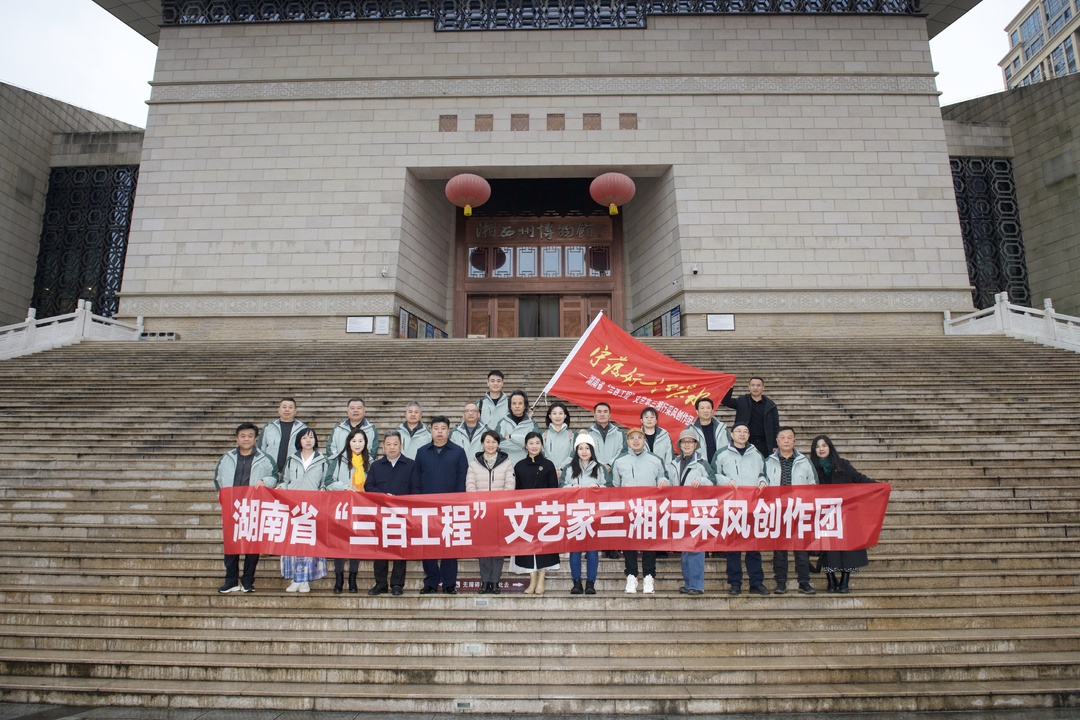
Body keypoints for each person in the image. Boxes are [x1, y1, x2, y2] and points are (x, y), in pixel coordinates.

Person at [213, 423, 277, 593]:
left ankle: (248, 580)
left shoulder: (265, 459)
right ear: (237, 438)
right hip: (232, 507)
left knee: (252, 545)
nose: (246, 439)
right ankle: (231, 580)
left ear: (255, 438)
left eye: (250, 436)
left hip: (253, 507)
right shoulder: (227, 458)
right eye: (243, 436)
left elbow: (274, 477)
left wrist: (265, 482)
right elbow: (218, 479)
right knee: (231, 544)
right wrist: (221, 494)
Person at [810, 435, 876, 594]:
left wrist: (879, 486)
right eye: (818, 446)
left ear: (830, 447)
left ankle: (845, 580)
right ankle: (831, 580)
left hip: (846, 513)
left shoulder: (843, 464)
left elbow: (859, 478)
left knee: (849, 549)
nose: (821, 449)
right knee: (828, 548)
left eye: (824, 445)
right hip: (824, 514)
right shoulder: (811, 467)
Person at [411, 415, 469, 594]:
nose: (439, 432)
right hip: (426, 507)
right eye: (436, 428)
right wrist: (417, 501)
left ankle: (449, 582)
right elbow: (416, 479)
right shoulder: (422, 452)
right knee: (427, 545)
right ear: (431, 430)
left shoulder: (458, 452)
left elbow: (462, 479)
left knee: (449, 545)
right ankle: (430, 581)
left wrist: (458, 502)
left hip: (450, 507)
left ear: (448, 430)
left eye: (443, 428)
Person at [715, 422, 770, 596]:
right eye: (738, 431)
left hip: (752, 506)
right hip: (731, 506)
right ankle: (735, 582)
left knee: (754, 547)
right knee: (733, 547)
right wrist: (725, 481)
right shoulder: (722, 454)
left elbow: (763, 473)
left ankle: (756, 582)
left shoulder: (757, 454)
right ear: (731, 434)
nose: (742, 434)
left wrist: (763, 481)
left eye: (745, 432)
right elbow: (713, 474)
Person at [612, 427, 669, 594]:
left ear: (644, 440)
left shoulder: (655, 459)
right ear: (627, 442)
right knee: (629, 542)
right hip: (628, 507)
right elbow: (615, 485)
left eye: (639, 437)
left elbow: (663, 476)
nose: (636, 440)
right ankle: (631, 575)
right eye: (632, 438)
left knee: (649, 542)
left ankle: (649, 576)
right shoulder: (620, 460)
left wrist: (664, 481)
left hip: (650, 507)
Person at [765, 426, 817, 595]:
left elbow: (813, 485)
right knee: (779, 548)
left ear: (794, 440)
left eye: (789, 437)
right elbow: (762, 482)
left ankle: (804, 582)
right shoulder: (768, 461)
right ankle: (780, 582)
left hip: (799, 509)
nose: (786, 440)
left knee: (801, 548)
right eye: (783, 437)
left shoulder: (804, 461)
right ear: (777, 441)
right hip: (778, 510)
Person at [364, 430, 415, 596]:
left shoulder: (410, 465)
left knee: (400, 551)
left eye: (395, 444)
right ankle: (380, 583)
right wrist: (384, 497)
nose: (392, 447)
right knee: (379, 550)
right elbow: (368, 486)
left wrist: (402, 501)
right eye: (388, 444)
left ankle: (397, 585)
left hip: (403, 515)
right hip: (381, 515)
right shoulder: (376, 466)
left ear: (401, 445)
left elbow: (416, 489)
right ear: (383, 447)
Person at [466, 429, 516, 594]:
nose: (491, 445)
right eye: (487, 441)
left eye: (494, 442)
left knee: (498, 550)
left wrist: (498, 503)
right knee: (484, 549)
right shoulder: (474, 464)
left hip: (499, 512)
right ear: (482, 443)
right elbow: (470, 486)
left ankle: (495, 582)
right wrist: (480, 503)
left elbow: (510, 485)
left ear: (498, 444)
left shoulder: (506, 463)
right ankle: (484, 581)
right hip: (481, 513)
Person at [278, 428, 328, 593]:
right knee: (293, 544)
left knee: (309, 545)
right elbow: (285, 480)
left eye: (311, 437)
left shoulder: (322, 460)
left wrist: (323, 489)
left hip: (312, 508)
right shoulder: (291, 460)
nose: (308, 440)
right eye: (305, 438)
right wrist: (282, 487)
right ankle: (294, 578)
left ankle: (305, 578)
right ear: (299, 440)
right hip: (293, 506)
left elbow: (325, 481)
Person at [511, 432, 560, 595]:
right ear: (526, 446)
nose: (534, 446)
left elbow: (554, 490)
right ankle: (532, 579)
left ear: (541, 445)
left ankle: (541, 578)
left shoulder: (548, 465)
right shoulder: (519, 466)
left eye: (537, 443)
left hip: (544, 511)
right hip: (524, 512)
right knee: (527, 545)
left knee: (544, 545)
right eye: (531, 443)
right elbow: (515, 490)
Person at [325, 426, 371, 593]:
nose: (357, 444)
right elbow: (328, 481)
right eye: (354, 441)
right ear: (348, 442)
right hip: (341, 508)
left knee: (355, 544)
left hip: (361, 508)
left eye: (360, 441)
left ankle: (353, 578)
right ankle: (339, 578)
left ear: (365, 443)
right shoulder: (338, 460)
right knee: (340, 543)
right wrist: (345, 488)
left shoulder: (369, 462)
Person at [667, 429, 713, 596]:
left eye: (690, 442)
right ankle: (688, 582)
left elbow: (713, 481)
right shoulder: (673, 463)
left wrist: (701, 480)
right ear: (679, 445)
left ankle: (696, 584)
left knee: (696, 548)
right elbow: (669, 481)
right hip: (680, 510)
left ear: (695, 445)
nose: (687, 444)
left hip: (697, 509)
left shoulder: (702, 463)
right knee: (685, 548)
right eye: (684, 442)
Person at [561, 434, 606, 595]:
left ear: (592, 450)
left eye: (587, 448)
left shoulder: (599, 468)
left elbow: (609, 488)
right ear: (576, 450)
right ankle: (576, 582)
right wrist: (571, 487)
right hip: (574, 514)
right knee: (575, 549)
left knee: (593, 550)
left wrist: (598, 486)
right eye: (581, 448)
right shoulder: (569, 468)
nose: (584, 451)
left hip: (594, 514)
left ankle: (591, 582)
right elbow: (561, 488)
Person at [721, 377, 780, 459]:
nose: (755, 388)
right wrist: (729, 387)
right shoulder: (742, 401)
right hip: (745, 441)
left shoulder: (770, 405)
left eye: (758, 385)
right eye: (753, 385)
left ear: (763, 387)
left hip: (764, 443)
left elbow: (776, 426)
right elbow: (725, 401)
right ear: (749, 387)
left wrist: (775, 444)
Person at [257, 397, 309, 480]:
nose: (287, 410)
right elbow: (260, 449)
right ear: (279, 410)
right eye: (284, 407)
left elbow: (307, 450)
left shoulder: (303, 428)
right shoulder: (268, 428)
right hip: (270, 472)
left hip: (293, 472)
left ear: (295, 411)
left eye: (290, 407)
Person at [326, 397, 378, 469]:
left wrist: (361, 463)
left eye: (359, 408)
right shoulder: (338, 428)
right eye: (352, 408)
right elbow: (331, 449)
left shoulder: (371, 429)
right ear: (347, 411)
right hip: (341, 469)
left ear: (364, 411)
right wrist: (339, 464)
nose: (355, 410)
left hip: (363, 468)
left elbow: (372, 452)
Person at [687, 397, 732, 470]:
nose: (705, 411)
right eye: (702, 408)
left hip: (721, 469)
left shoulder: (722, 428)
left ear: (712, 411)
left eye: (708, 408)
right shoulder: (690, 429)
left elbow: (730, 448)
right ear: (697, 412)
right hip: (699, 471)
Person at [496, 390, 539, 465]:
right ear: (510, 406)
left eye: (520, 403)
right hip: (505, 464)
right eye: (514, 403)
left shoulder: (532, 424)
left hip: (526, 465)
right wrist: (522, 446)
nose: (517, 406)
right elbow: (498, 443)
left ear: (525, 406)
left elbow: (533, 444)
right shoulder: (502, 422)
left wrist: (511, 436)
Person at [586, 402, 625, 475]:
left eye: (605, 411)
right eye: (599, 412)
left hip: (614, 471)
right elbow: (586, 453)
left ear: (610, 415)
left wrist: (610, 464)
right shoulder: (587, 434)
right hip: (594, 472)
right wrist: (601, 466)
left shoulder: (619, 433)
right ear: (594, 415)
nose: (602, 414)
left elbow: (623, 452)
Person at [541, 402, 573, 479]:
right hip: (547, 473)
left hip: (568, 473)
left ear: (565, 416)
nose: (557, 416)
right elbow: (542, 453)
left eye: (561, 413)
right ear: (550, 416)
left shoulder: (572, 434)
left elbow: (573, 454)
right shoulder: (543, 434)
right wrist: (552, 468)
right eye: (554, 413)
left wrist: (562, 468)